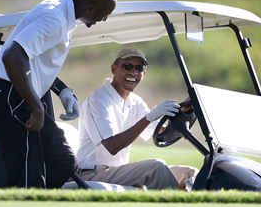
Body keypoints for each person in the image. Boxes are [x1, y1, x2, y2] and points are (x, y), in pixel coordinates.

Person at [0, 0, 117, 188]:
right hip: (7, 95)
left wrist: (62, 90)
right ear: (90, 7)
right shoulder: (54, 19)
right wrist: (36, 107)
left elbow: (33, 60)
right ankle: (22, 202)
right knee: (28, 174)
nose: (103, 20)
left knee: (61, 162)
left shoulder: (59, 8)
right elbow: (12, 57)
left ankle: (27, 194)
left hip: (16, 93)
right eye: (104, 15)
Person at [77, 47, 199, 190]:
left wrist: (182, 114)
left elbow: (160, 134)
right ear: (114, 68)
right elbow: (112, 146)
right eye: (127, 66)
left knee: (190, 173)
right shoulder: (98, 100)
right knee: (156, 167)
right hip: (92, 174)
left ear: (144, 73)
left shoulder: (136, 102)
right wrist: (149, 117)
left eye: (139, 68)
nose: (133, 72)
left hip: (118, 171)